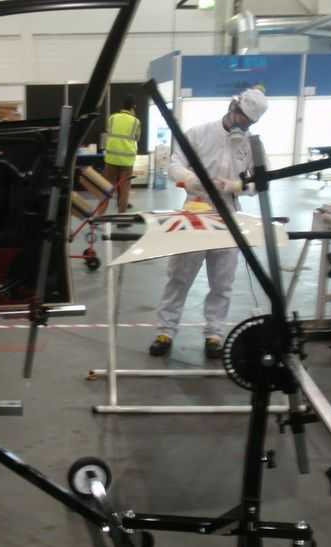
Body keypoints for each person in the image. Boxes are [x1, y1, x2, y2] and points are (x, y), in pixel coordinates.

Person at [148, 87, 268, 359]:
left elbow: (262, 180)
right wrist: (192, 180)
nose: (242, 125)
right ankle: (165, 331)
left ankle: (214, 333)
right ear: (232, 107)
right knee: (179, 275)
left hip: (229, 214)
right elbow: (174, 165)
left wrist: (238, 186)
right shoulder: (199, 133)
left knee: (222, 281)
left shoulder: (252, 145)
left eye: (248, 123)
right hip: (196, 210)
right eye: (240, 118)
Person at [104, 95, 141, 212]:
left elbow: (108, 132)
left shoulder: (112, 118)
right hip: (127, 161)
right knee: (125, 188)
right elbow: (137, 138)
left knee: (106, 187)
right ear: (133, 107)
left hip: (111, 158)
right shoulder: (135, 122)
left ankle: (100, 213)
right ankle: (121, 214)